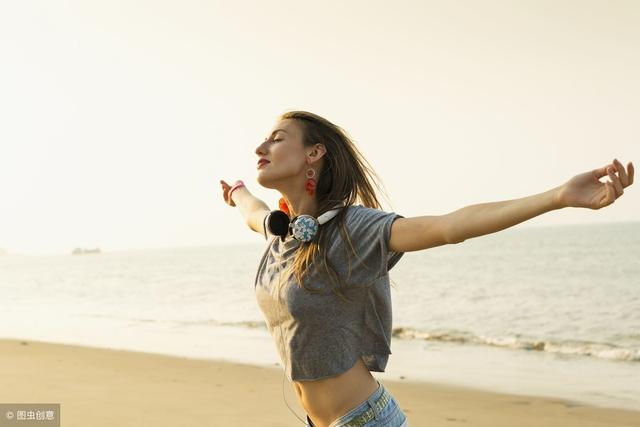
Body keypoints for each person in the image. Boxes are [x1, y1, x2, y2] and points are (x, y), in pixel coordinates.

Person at [220, 110, 634, 427]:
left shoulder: (352, 230)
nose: (261, 148)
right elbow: (251, 210)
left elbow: (448, 227)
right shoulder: (283, 232)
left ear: (314, 154)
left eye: (276, 140)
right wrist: (238, 192)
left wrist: (559, 196)